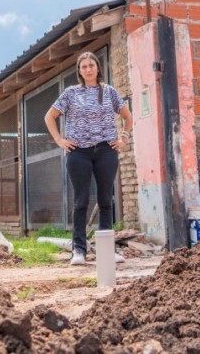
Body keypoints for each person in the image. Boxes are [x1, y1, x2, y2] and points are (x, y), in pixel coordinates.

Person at [44, 51, 133, 266]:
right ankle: (79, 251)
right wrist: (60, 141)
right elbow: (49, 116)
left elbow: (127, 117)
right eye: (83, 67)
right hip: (79, 152)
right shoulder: (70, 93)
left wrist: (123, 138)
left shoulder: (109, 91)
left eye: (91, 65)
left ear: (98, 68)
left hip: (105, 151)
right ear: (80, 71)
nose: (88, 69)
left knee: (105, 201)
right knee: (81, 201)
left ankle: (106, 251)